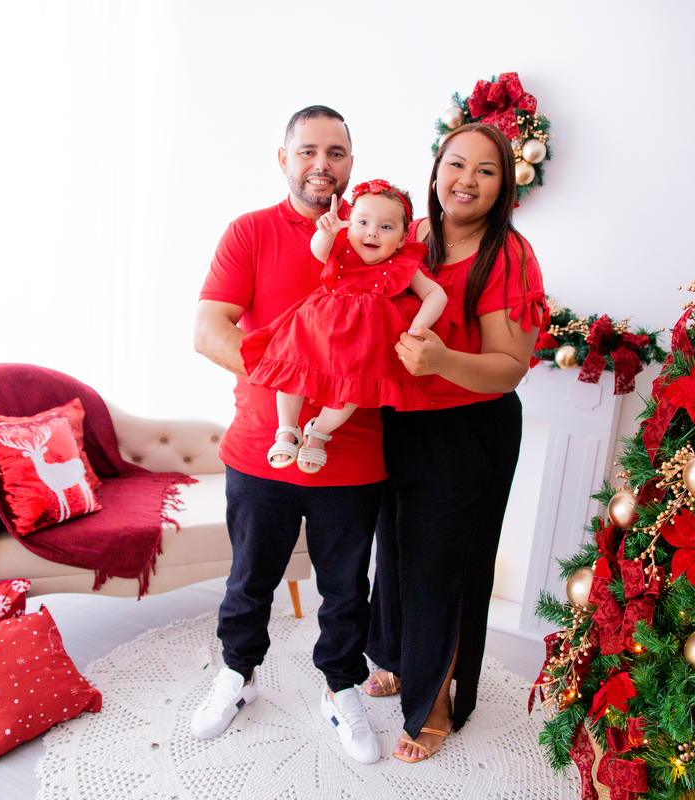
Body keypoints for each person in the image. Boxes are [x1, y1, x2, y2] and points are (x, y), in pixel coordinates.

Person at [192, 105, 385, 764]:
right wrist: (291, 374)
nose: (321, 165)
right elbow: (208, 331)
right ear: (284, 159)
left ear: (351, 163)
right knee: (249, 581)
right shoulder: (250, 232)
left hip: (353, 455)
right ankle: (237, 675)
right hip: (260, 448)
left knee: (345, 590)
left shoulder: (376, 232)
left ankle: (341, 687)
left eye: (335, 152)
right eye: (307, 151)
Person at [363, 123, 548, 763]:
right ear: (436, 169)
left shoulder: (509, 255)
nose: (466, 180)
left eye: (486, 170)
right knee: (394, 550)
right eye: (456, 164)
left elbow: (509, 368)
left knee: (441, 568)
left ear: (504, 186)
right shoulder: (410, 233)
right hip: (399, 420)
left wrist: (442, 360)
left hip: (469, 430)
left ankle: (436, 701)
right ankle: (395, 659)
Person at [241, 180, 447, 474]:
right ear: (348, 226)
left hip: (360, 345)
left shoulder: (403, 264)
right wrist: (326, 232)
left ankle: (318, 432)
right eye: (362, 222)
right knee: (290, 370)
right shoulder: (341, 248)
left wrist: (416, 330)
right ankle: (287, 429)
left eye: (386, 227)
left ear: (403, 238)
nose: (372, 232)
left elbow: (436, 294)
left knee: (352, 392)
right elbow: (317, 251)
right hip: (315, 329)